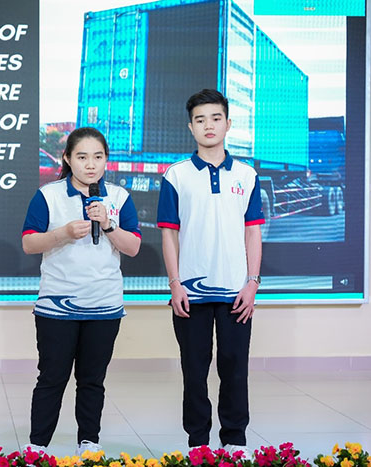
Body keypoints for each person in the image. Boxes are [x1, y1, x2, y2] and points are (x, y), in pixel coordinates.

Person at [21, 127, 141, 455]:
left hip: (104, 305)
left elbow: (133, 247)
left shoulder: (119, 197)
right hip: (57, 306)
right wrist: (61, 234)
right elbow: (29, 242)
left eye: (98, 157)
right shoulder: (48, 195)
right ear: (67, 158)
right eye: (82, 157)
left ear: (106, 160)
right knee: (52, 378)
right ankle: (37, 447)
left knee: (92, 380)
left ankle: (89, 442)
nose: (90, 164)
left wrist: (109, 224)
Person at [157, 89, 264, 454]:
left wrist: (252, 283)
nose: (208, 125)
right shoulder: (176, 175)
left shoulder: (247, 175)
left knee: (235, 368)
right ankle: (198, 443)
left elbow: (253, 232)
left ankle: (234, 439)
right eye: (200, 119)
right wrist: (175, 284)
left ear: (228, 124)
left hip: (236, 292)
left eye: (216, 118)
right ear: (191, 127)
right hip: (190, 292)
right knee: (194, 371)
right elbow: (169, 234)